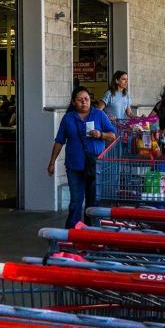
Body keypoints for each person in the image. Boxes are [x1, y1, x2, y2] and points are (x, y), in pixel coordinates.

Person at [47, 87, 117, 227]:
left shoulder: (99, 114)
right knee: (75, 201)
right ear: (73, 102)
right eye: (80, 100)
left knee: (93, 201)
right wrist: (52, 162)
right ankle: (73, 232)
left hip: (95, 165)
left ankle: (91, 231)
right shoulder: (68, 118)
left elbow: (113, 135)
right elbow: (59, 141)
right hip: (74, 165)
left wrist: (100, 134)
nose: (84, 102)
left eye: (86, 99)